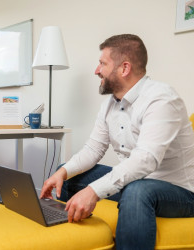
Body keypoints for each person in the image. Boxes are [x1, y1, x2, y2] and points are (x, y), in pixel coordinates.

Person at [40, 34, 194, 249]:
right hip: (136, 182)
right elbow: (94, 148)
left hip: (179, 192)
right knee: (66, 175)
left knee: (138, 190)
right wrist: (63, 172)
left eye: (102, 63)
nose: (96, 70)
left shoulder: (162, 99)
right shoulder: (110, 105)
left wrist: (94, 191)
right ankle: (70, 241)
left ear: (124, 68)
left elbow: (145, 161)